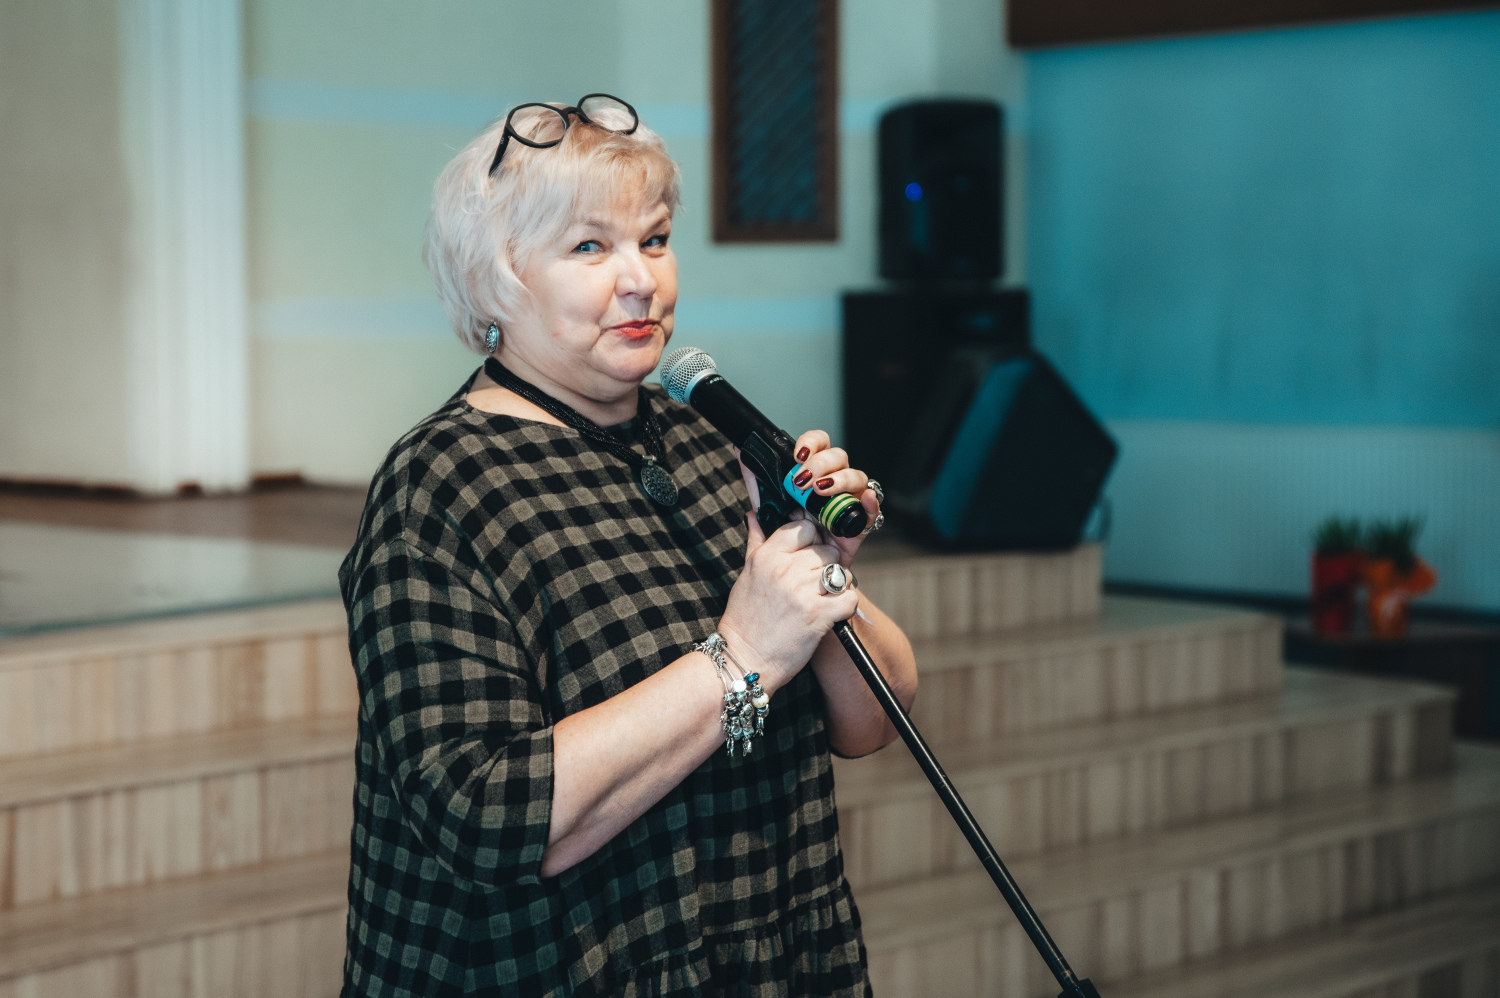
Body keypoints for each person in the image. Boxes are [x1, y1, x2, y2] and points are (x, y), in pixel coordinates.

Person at [338, 94, 918, 998]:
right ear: (497, 282)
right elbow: (486, 816)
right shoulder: (440, 486)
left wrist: (820, 570)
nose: (642, 279)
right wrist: (742, 656)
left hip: (765, 952)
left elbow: (876, 721)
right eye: (589, 247)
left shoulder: (705, 441)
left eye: (654, 239)